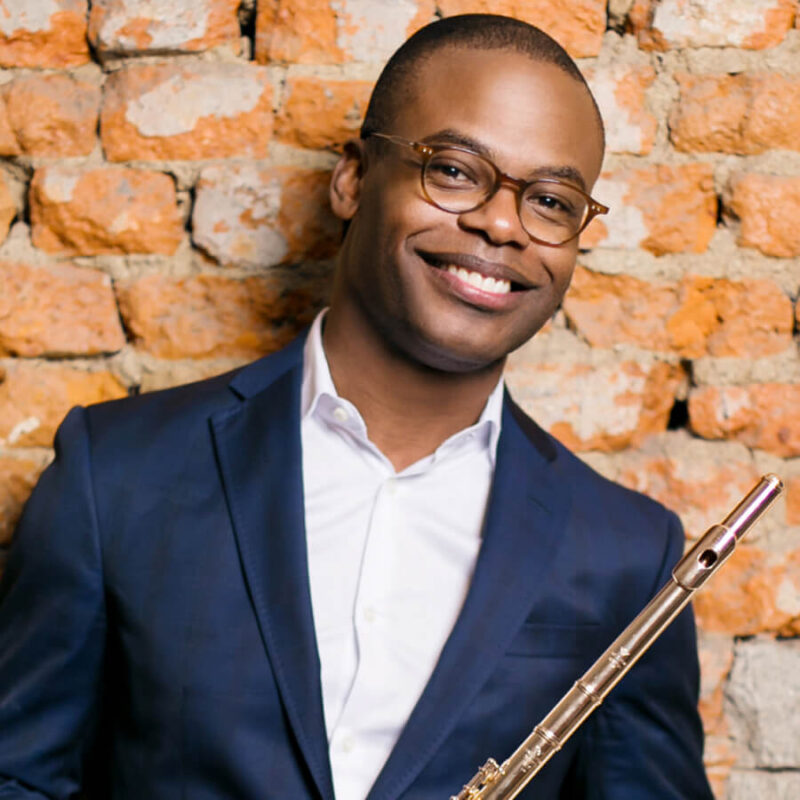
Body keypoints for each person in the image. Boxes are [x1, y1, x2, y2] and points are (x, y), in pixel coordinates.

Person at [0, 14, 713, 800]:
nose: (501, 223)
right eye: (454, 170)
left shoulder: (626, 555)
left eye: (550, 200)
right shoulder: (115, 474)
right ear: (352, 179)